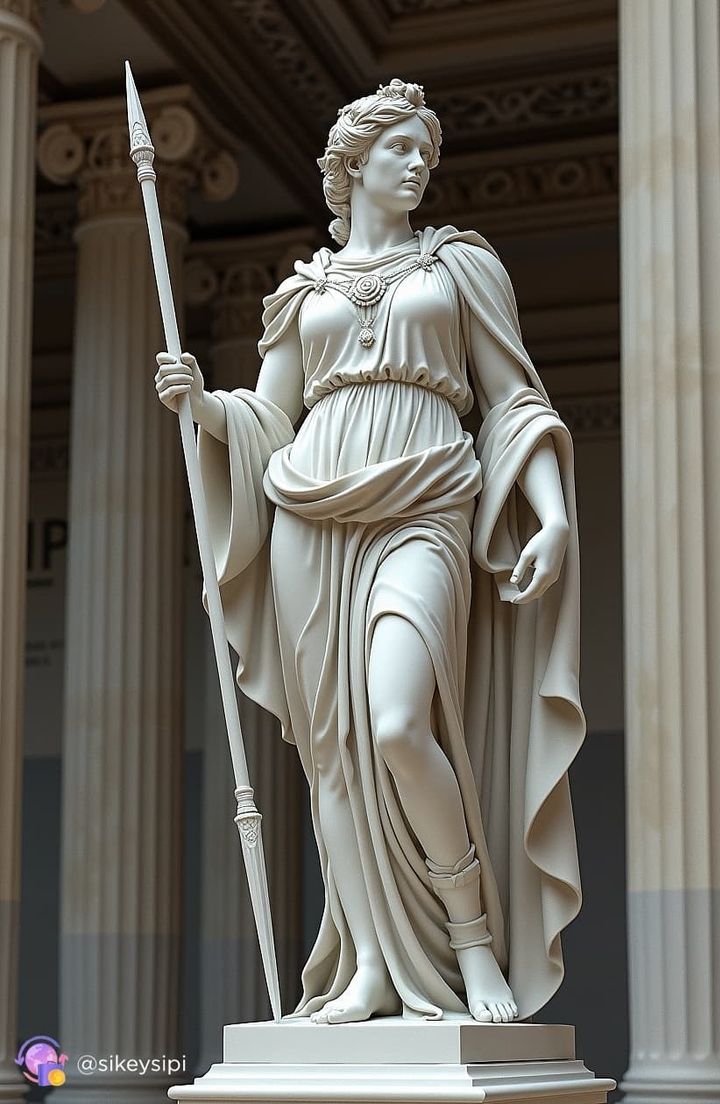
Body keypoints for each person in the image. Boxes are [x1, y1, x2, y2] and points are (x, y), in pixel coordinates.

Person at [154, 79, 585, 1026]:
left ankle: (471, 943)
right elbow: (272, 413)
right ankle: (369, 969)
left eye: (426, 150)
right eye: (400, 147)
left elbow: (514, 399)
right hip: (312, 510)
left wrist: (548, 514)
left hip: (426, 498)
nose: (419, 162)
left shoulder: (462, 267)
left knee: (395, 721)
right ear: (353, 165)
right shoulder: (303, 289)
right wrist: (203, 406)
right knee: (335, 754)